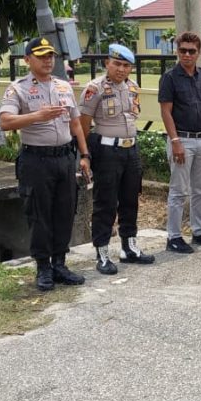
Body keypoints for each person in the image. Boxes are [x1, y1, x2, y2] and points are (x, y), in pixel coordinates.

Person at [0, 37, 91, 290]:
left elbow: (75, 124)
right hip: (36, 160)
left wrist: (85, 156)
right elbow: (5, 122)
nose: (48, 60)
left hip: (64, 158)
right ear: (27, 60)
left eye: (50, 56)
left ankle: (60, 264)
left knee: (65, 211)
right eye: (41, 56)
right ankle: (43, 267)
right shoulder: (17, 89)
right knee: (39, 215)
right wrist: (37, 116)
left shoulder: (63, 86)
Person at [78, 44, 155, 274]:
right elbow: (83, 124)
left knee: (130, 199)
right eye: (117, 64)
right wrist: (85, 155)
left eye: (126, 66)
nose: (121, 69)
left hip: (131, 150)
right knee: (106, 203)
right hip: (107, 151)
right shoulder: (94, 88)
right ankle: (102, 253)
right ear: (107, 63)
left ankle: (129, 247)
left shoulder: (132, 87)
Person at [158, 31, 201, 253]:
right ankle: (174, 237)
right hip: (182, 139)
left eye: (191, 51)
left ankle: (199, 231)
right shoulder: (169, 78)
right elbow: (166, 112)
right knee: (178, 191)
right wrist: (175, 141)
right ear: (177, 52)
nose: (187, 55)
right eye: (182, 50)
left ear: (198, 53)